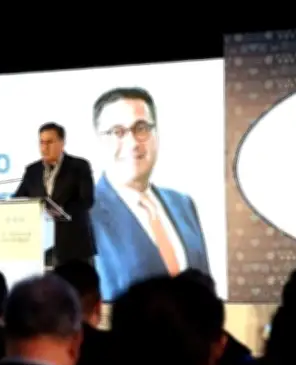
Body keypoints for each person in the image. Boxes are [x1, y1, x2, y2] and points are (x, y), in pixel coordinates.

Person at [90, 87, 210, 300]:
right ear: (99, 141)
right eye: (117, 132)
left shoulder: (183, 204)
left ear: (157, 134)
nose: (133, 143)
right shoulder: (82, 215)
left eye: (141, 128)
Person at [14, 122, 96, 267]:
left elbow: (87, 200)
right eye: (41, 142)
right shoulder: (32, 170)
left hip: (74, 246)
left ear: (62, 143)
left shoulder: (79, 166)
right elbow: (19, 199)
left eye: (49, 142)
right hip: (41, 248)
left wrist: (60, 210)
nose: (44, 147)